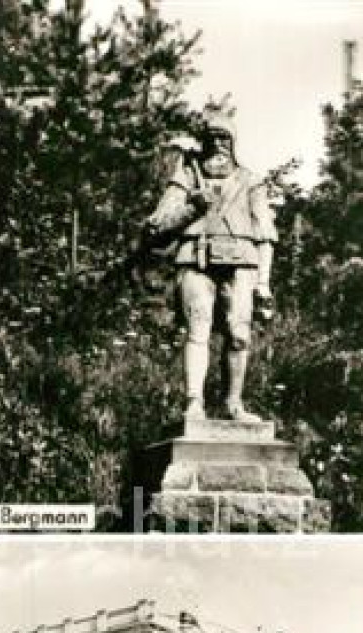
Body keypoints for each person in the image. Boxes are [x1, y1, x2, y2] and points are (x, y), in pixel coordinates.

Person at [143, 112, 277, 424]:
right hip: (196, 259)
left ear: (233, 143)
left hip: (242, 264)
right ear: (203, 142)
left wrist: (264, 282)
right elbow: (157, 227)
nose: (218, 144)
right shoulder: (187, 178)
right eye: (212, 137)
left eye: (224, 138)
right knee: (198, 330)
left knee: (239, 335)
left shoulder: (250, 182)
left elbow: (265, 234)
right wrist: (192, 206)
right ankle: (194, 403)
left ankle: (234, 403)